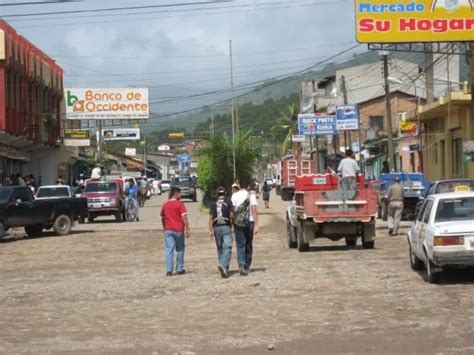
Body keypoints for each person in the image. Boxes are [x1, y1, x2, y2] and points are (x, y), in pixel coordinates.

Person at [160, 186, 191, 277]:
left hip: (168, 229)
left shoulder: (165, 205)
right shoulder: (180, 204)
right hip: (179, 229)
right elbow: (184, 217)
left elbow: (162, 218)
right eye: (179, 193)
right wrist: (187, 229)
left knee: (169, 250)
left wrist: (164, 227)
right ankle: (180, 268)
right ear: (176, 194)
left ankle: (169, 270)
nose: (180, 195)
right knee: (180, 249)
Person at [232, 177, 259, 276]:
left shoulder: (234, 195)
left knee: (240, 245)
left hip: (238, 223)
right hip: (250, 222)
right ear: (248, 186)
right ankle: (247, 265)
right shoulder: (251, 195)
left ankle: (241, 265)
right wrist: (257, 224)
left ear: (239, 186)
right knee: (248, 244)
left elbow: (233, 211)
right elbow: (254, 210)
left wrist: (233, 223)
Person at [209, 187, 234, 278]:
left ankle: (223, 267)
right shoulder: (228, 201)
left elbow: (211, 218)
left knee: (220, 248)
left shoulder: (213, 203)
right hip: (226, 226)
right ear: (225, 193)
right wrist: (233, 225)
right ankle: (224, 265)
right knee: (227, 247)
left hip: (216, 227)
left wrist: (210, 230)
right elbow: (231, 215)